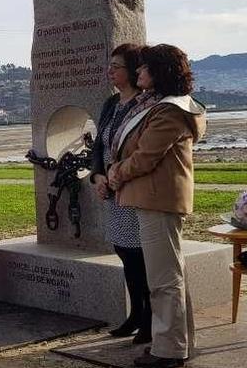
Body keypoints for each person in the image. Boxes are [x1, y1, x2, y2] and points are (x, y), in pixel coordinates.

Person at [108, 44, 206, 368]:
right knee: (171, 275)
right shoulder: (162, 106)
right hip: (155, 198)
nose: (138, 72)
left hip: (158, 199)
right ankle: (179, 343)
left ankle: (168, 350)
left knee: (163, 280)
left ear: (159, 71)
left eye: (144, 68)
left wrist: (115, 174)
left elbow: (146, 156)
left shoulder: (168, 111)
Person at [89, 43, 152, 344]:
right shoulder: (111, 104)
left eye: (116, 66)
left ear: (133, 69)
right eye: (110, 66)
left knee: (141, 255)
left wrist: (117, 176)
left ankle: (149, 317)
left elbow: (141, 150)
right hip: (112, 191)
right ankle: (136, 312)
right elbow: (99, 145)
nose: (110, 71)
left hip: (133, 190)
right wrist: (98, 176)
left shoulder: (144, 105)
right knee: (125, 252)